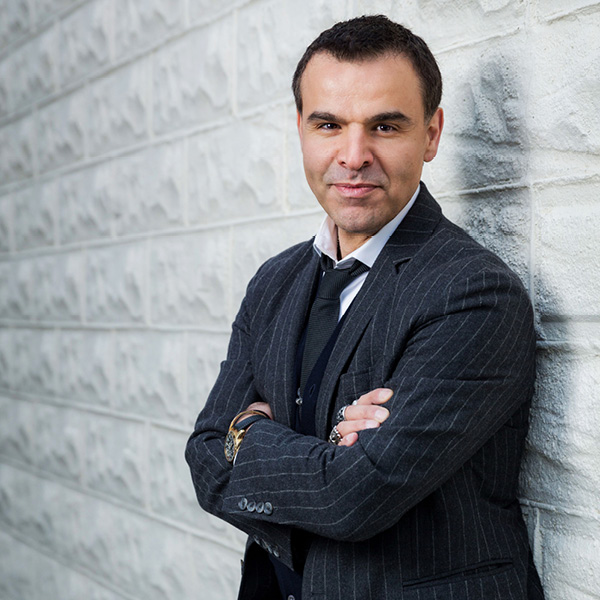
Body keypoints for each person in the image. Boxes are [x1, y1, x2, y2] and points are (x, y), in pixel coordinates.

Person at [186, 15, 545, 600]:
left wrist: (246, 432)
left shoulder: (473, 292)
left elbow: (354, 495)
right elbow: (204, 457)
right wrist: (324, 453)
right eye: (329, 124)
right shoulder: (273, 282)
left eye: (385, 126)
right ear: (301, 130)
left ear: (431, 135)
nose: (353, 156)